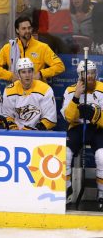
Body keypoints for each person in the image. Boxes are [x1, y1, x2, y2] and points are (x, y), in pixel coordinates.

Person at [61, 60, 103, 205]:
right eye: (86, 74)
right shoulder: (70, 90)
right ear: (80, 76)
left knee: (102, 156)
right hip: (77, 128)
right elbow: (68, 117)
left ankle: (102, 194)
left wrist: (94, 115)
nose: (90, 77)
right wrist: (76, 97)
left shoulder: (102, 89)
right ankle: (66, 191)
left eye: (92, 73)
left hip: (97, 129)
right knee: (64, 154)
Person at [0, 16, 65, 83]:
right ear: (17, 30)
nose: (27, 31)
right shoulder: (9, 47)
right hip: (16, 89)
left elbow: (60, 66)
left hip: (37, 90)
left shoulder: (42, 47)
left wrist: (41, 74)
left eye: (29, 28)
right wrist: (10, 76)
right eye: (24, 28)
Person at [2, 58, 57, 130]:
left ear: (33, 72)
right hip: (16, 133)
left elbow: (50, 118)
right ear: (19, 74)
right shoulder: (9, 90)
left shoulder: (45, 89)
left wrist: (33, 130)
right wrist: (13, 128)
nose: (27, 75)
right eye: (23, 72)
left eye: (29, 71)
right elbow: (7, 115)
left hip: (38, 133)